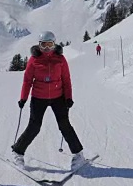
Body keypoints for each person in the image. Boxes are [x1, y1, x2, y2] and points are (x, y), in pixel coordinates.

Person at [11, 31, 85, 170]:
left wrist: (68, 97)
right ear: (39, 45)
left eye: (49, 45)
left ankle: (78, 154)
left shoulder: (60, 59)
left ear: (54, 44)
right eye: (43, 45)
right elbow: (27, 81)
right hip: (39, 97)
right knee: (34, 126)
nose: (46, 48)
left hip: (58, 97)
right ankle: (18, 152)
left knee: (64, 125)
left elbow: (66, 80)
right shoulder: (34, 60)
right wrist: (23, 98)